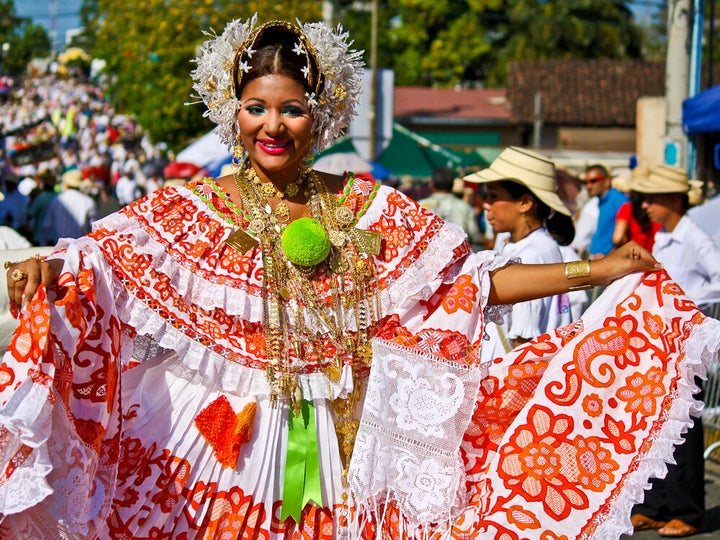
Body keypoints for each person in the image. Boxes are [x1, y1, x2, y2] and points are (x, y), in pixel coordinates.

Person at [0, 16, 718, 540]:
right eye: (256, 107)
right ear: (233, 112)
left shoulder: (368, 207)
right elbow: (105, 260)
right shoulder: (195, 210)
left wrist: (597, 268)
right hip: (226, 453)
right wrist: (46, 263)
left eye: (291, 108)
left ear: (320, 116)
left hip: (352, 453)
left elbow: (467, 288)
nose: (272, 125)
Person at [629, 164, 720, 538]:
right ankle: (656, 503)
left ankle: (686, 509)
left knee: (685, 424)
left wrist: (688, 306)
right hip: (661, 341)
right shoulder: (665, 237)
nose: (646, 205)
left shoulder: (693, 237)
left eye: (652, 199)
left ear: (671, 200)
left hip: (683, 341)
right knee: (659, 423)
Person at [463, 147, 575, 360]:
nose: (487, 205)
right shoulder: (527, 246)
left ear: (524, 203)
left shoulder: (532, 254)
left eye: (494, 196)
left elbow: (523, 343)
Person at [419, 166, 482, 246]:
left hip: (427, 256)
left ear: (432, 183)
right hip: (460, 255)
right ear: (452, 184)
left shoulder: (420, 207)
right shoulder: (465, 207)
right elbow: (475, 236)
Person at [41, 168, 98, 244]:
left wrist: (43, 243)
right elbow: (94, 227)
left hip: (59, 246)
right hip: (81, 246)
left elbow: (47, 225)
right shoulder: (88, 201)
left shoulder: (57, 200)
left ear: (66, 185)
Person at [584, 163, 628, 259]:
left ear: (607, 181)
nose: (588, 186)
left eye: (593, 181)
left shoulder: (619, 200)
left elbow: (624, 238)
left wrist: (608, 258)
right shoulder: (601, 201)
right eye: (585, 182)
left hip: (606, 261)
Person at [612, 188, 661, 253]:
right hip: (656, 258)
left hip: (636, 259)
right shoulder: (659, 210)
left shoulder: (627, 208)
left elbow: (617, 238)